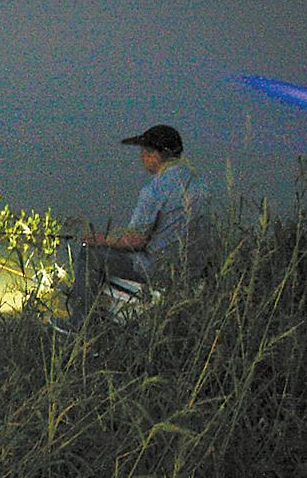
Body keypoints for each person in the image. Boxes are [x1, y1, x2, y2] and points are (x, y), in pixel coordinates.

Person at [62, 124, 210, 326]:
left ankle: (79, 325)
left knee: (91, 256)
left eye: (143, 152)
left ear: (153, 155)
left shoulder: (156, 187)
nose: (141, 157)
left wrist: (99, 239)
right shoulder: (200, 184)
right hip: (190, 270)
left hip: (157, 268)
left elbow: (136, 239)